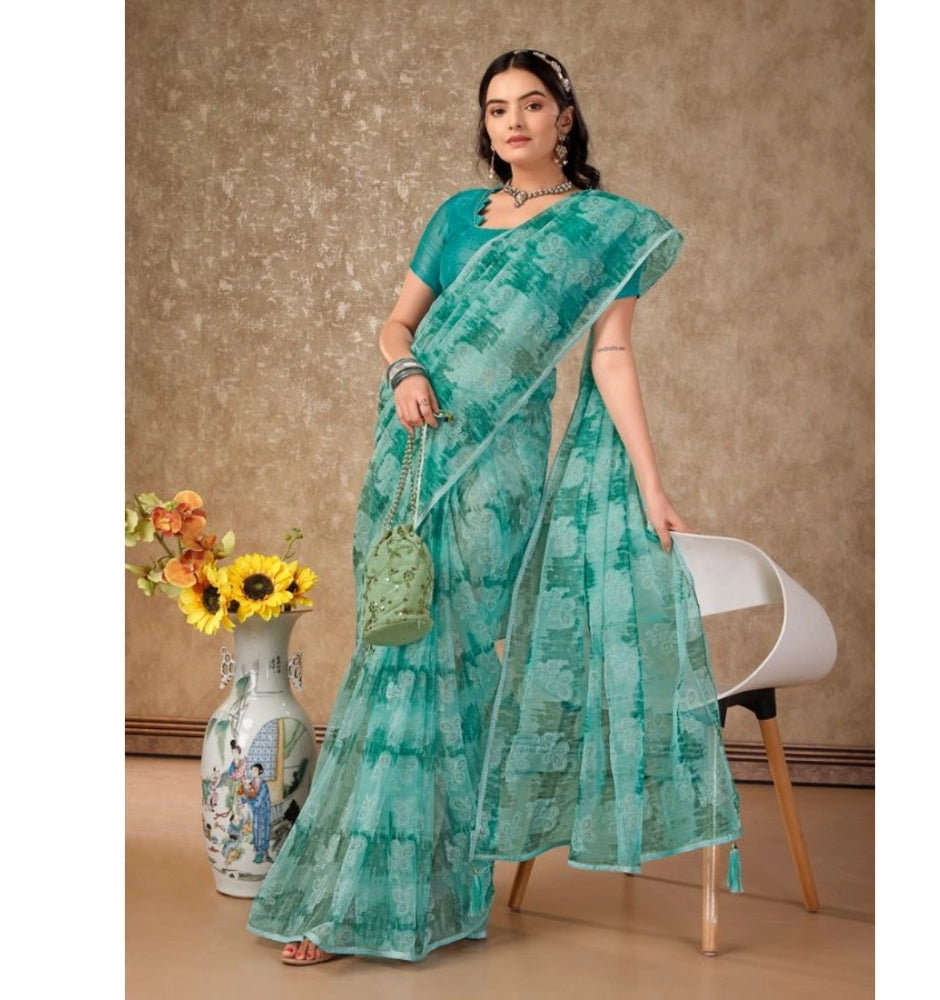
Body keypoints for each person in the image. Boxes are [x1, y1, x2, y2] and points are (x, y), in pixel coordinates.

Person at [247, 48, 741, 967]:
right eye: (496, 108)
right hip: (410, 455)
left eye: (532, 104)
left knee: (460, 661)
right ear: (485, 125)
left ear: (564, 118)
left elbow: (611, 358)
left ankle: (435, 891)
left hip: (498, 468)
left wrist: (651, 482)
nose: (513, 121)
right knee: (392, 657)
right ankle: (347, 891)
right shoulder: (455, 217)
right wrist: (404, 368)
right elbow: (397, 322)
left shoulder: (602, 230)